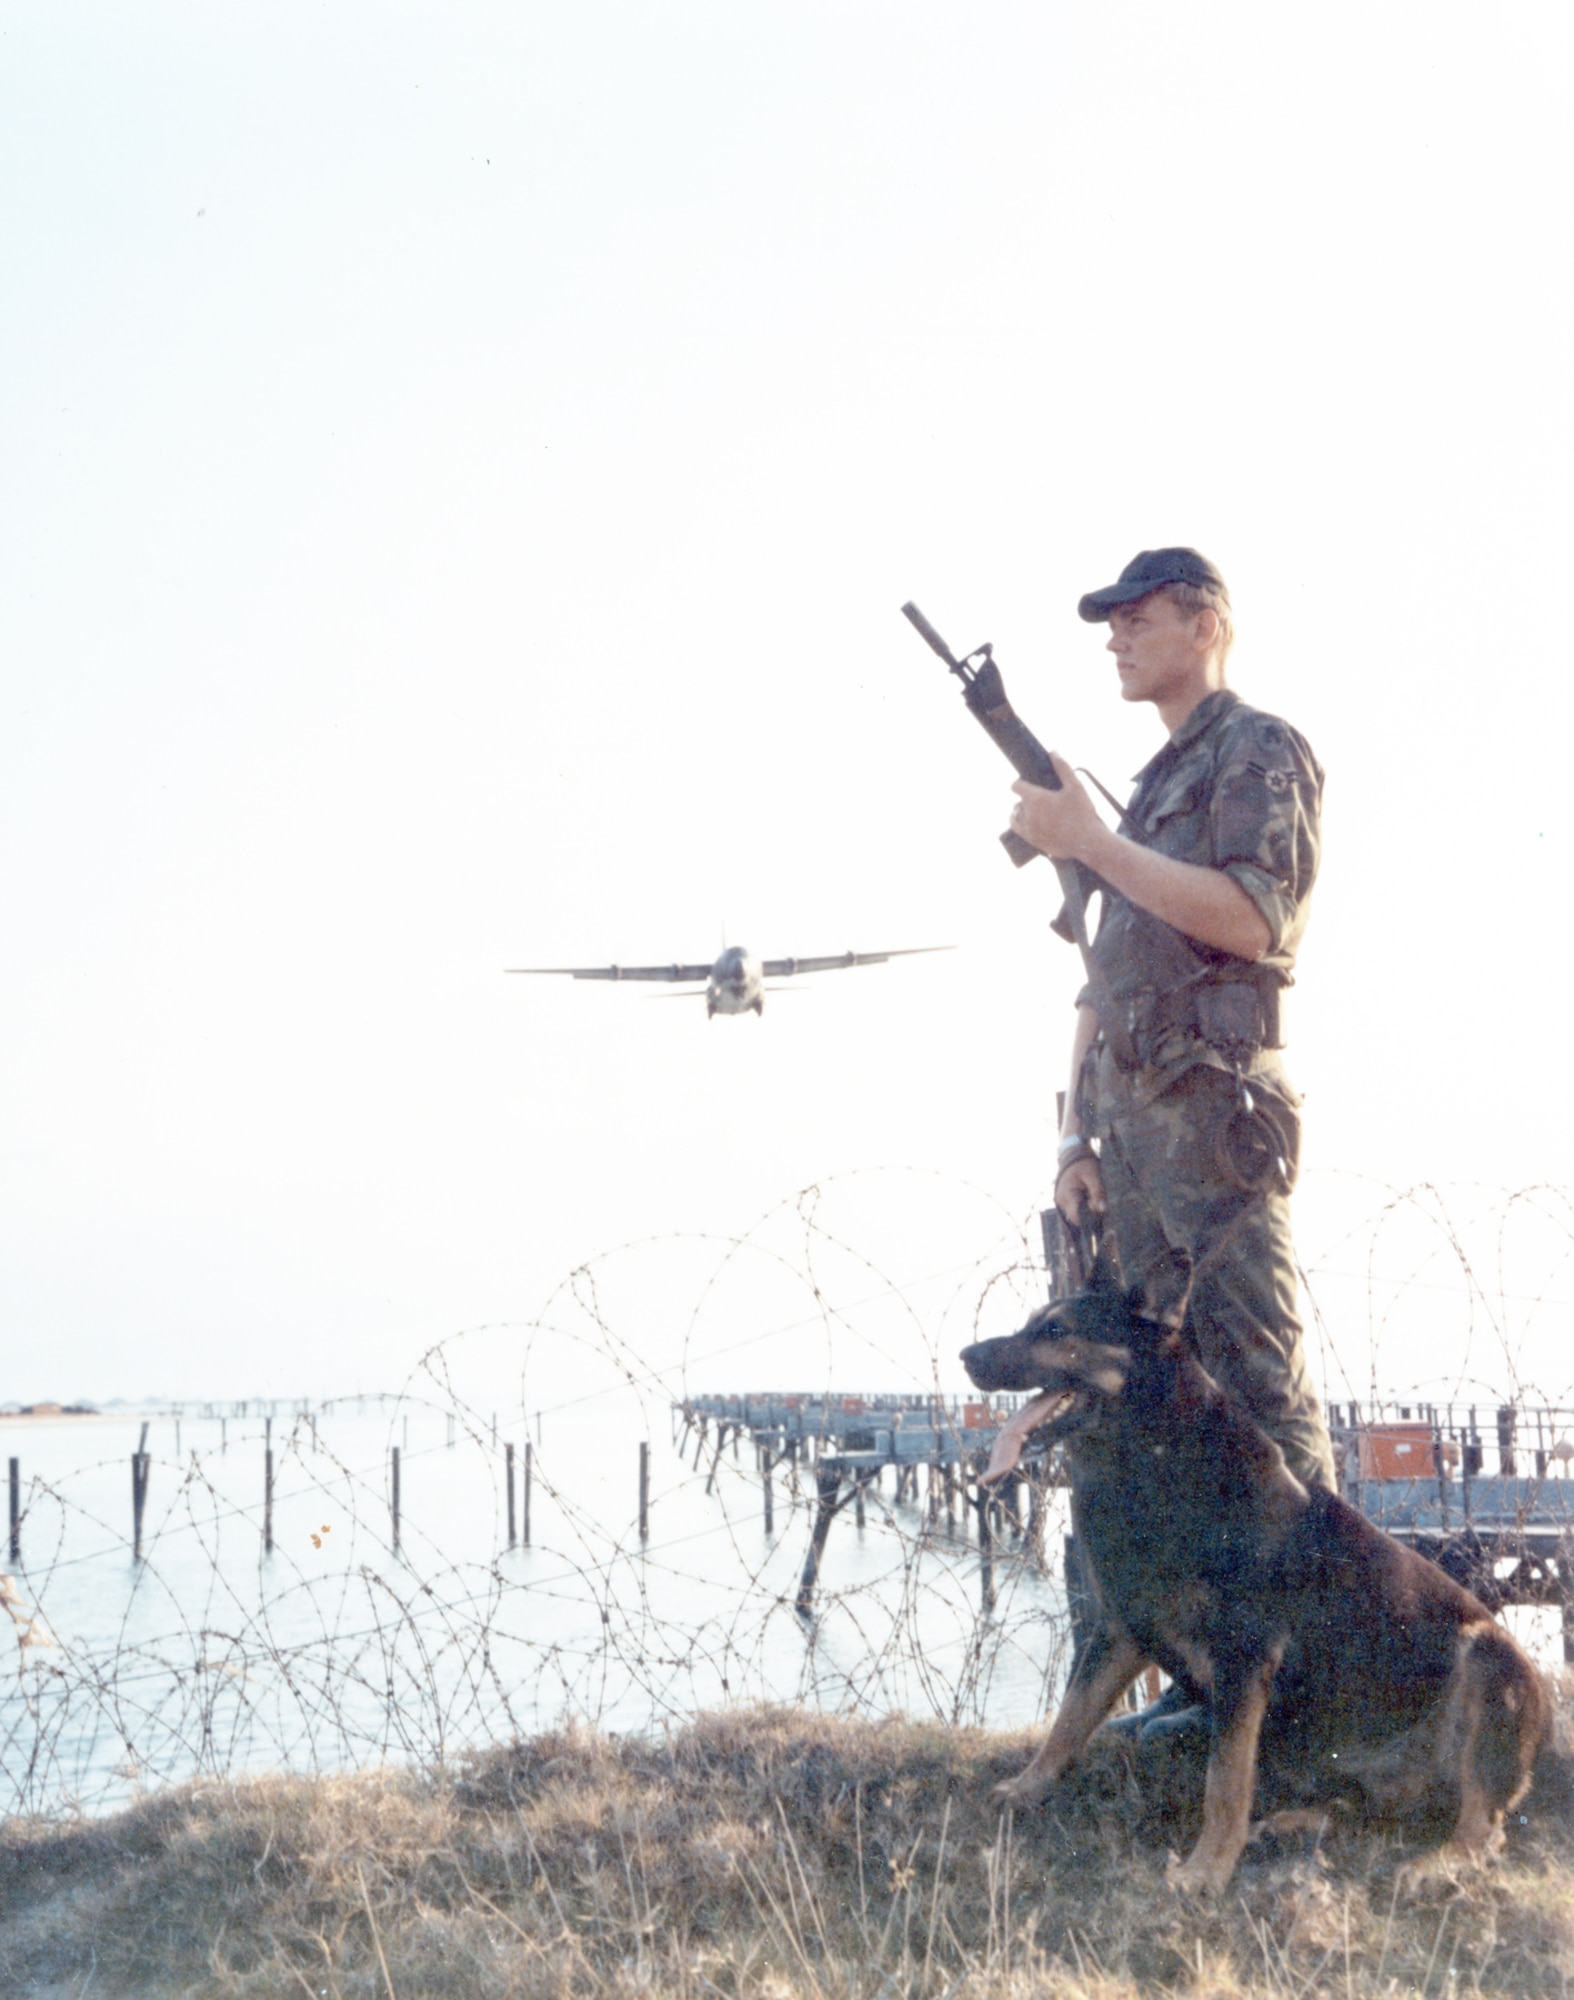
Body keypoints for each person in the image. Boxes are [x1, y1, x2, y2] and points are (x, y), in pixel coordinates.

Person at [1008, 547, 1336, 1498]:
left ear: (1206, 626)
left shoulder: (1257, 749)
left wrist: (1094, 844)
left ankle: (1328, 1640)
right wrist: (1075, 1136)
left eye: (1137, 618)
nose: (1116, 637)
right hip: (1131, 1132)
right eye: (1112, 622)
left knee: (1260, 1403)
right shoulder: (1152, 786)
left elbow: (1255, 916)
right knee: (1149, 1412)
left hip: (1213, 1116)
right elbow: (1102, 977)